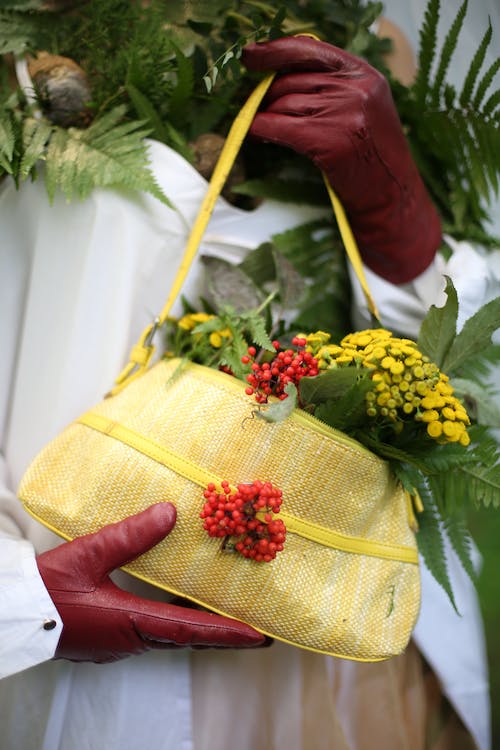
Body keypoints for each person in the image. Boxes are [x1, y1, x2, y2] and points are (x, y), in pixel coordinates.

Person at [0, 16, 497, 750]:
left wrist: (406, 233)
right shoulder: (24, 40)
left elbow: (463, 401)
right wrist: (17, 608)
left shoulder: (369, 43)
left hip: (337, 640)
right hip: (72, 642)